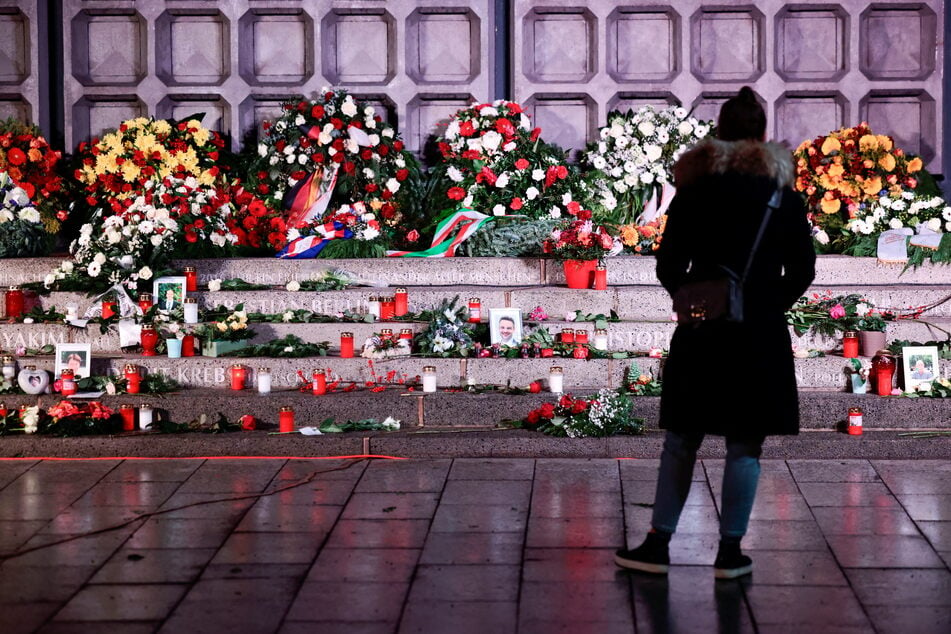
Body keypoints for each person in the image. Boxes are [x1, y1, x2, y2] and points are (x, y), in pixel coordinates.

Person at [614, 87, 816, 579]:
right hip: (759, 335)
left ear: (719, 133)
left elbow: (668, 264)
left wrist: (693, 299)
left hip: (702, 332)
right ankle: (730, 551)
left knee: (682, 438)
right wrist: (767, 305)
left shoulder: (696, 189)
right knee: (745, 443)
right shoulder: (781, 194)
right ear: (762, 135)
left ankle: (658, 544)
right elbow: (803, 269)